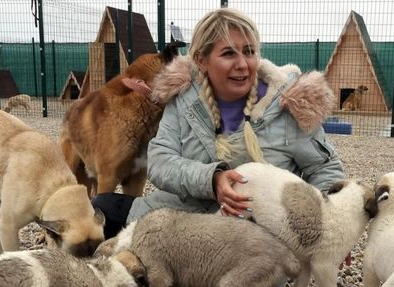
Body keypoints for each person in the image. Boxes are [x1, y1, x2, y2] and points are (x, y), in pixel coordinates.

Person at [93, 7, 344, 240]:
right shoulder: (184, 97)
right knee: (96, 211)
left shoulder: (289, 103)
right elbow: (160, 161)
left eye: (249, 51)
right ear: (201, 60)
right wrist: (211, 179)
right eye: (228, 53)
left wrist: (327, 228)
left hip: (247, 240)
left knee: (166, 280)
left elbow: (325, 169)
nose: (242, 64)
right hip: (180, 215)